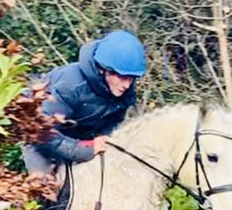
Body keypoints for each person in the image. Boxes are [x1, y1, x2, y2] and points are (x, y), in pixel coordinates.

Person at [22, 30, 147, 173]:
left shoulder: (124, 90)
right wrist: (87, 148)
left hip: (80, 137)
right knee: (47, 189)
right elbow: (44, 135)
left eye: (131, 78)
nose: (126, 85)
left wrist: (104, 140)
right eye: (122, 77)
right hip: (41, 139)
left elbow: (113, 123)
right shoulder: (70, 85)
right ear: (103, 70)